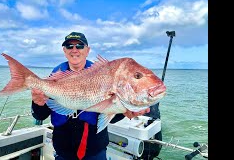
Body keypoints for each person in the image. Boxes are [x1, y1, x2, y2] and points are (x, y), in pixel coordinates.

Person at [31, 32, 150, 160]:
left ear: (87, 50)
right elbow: (40, 115)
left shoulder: (102, 74)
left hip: (95, 151)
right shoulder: (55, 78)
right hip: (63, 152)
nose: (74, 50)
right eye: (70, 46)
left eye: (80, 46)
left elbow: (110, 114)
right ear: (64, 51)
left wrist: (124, 111)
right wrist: (37, 102)